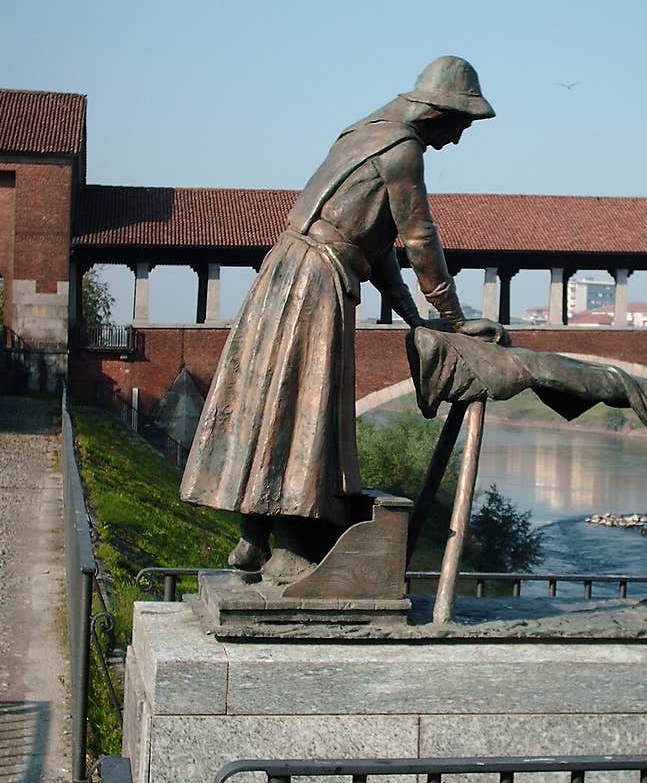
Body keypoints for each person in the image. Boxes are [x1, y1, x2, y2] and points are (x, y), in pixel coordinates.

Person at [179, 56, 507, 581]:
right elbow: (418, 238)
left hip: (284, 270)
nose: (459, 139)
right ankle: (287, 548)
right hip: (319, 280)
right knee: (309, 408)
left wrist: (414, 317)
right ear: (438, 111)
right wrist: (453, 315)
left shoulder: (359, 135)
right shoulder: (402, 151)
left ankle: (252, 540)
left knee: (271, 400)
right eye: (461, 124)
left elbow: (375, 245)